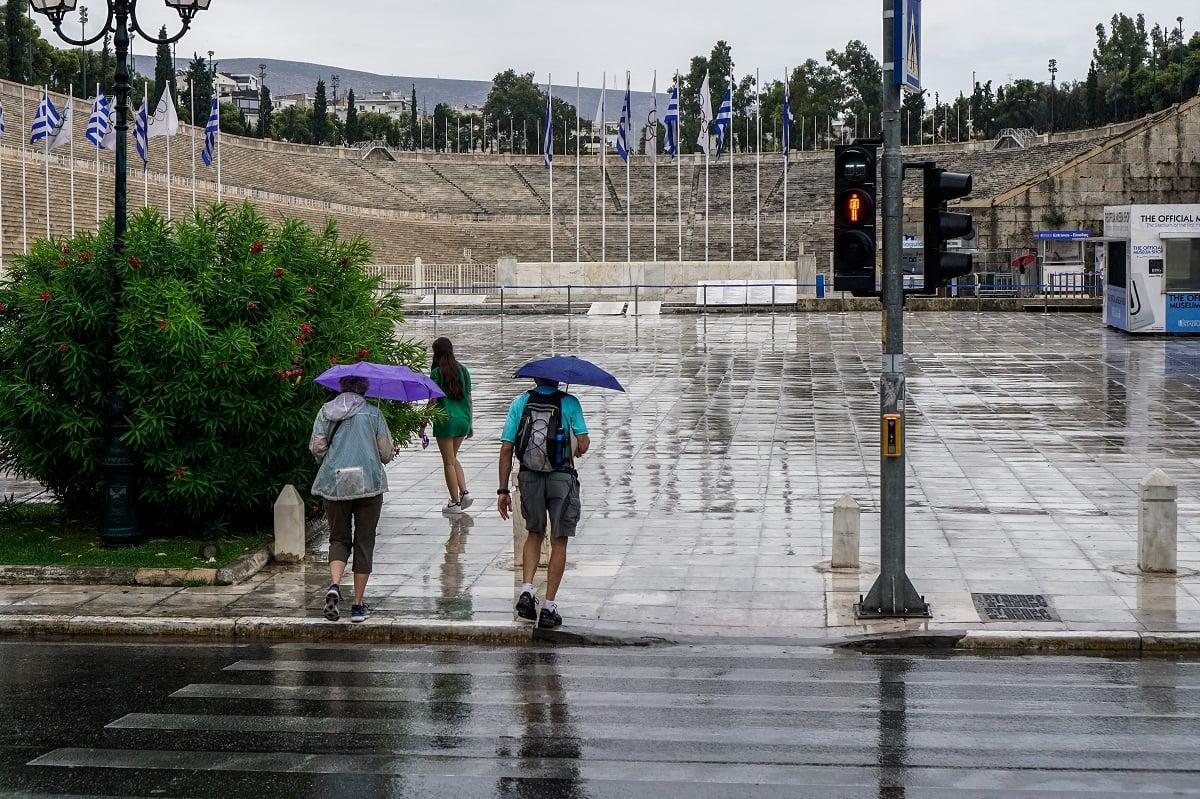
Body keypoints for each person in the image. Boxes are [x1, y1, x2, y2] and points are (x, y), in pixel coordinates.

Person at [497, 377, 589, 629]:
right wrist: (574, 446)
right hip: (562, 477)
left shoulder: (521, 402)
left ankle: (526, 591)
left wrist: (503, 490)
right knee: (559, 540)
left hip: (529, 476)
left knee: (534, 533)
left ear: (535, 378)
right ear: (559, 380)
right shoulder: (569, 402)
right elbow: (583, 444)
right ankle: (548, 606)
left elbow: (506, 448)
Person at [309, 375, 395, 623]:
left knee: (338, 538)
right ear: (364, 391)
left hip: (336, 485)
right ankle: (358, 605)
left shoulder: (326, 412)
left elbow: (317, 448)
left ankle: (335, 585)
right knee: (364, 542)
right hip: (369, 485)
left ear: (341, 388)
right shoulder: (373, 414)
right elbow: (386, 454)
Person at [425, 337, 474, 514]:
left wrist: (423, 420)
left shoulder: (437, 372)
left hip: (445, 420)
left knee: (447, 462)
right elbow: (469, 398)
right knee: (452, 458)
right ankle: (465, 493)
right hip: (463, 419)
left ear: (436, 352)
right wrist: (470, 423)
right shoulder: (463, 370)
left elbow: (433, 399)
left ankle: (454, 502)